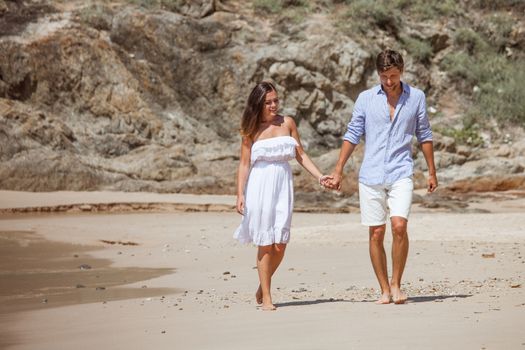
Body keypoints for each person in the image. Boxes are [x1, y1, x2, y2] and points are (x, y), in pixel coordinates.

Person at [327, 49, 438, 304]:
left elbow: (425, 135)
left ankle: (397, 284)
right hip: (371, 174)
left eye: (394, 76)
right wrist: (338, 169)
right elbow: (353, 134)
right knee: (376, 233)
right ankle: (384, 290)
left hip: (401, 171)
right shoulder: (365, 99)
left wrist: (432, 172)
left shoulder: (416, 97)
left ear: (402, 71)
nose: (389, 82)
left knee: (399, 226)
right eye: (384, 76)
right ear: (378, 74)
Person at [233, 81, 331, 311]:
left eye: (276, 100)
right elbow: (244, 164)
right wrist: (240, 194)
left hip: (283, 183)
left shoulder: (288, 123)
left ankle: (261, 285)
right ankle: (267, 296)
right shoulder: (250, 128)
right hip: (259, 184)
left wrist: (319, 176)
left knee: (280, 244)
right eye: (268, 102)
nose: (274, 105)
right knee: (265, 243)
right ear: (258, 104)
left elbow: (300, 155)